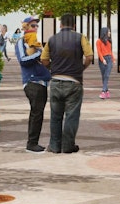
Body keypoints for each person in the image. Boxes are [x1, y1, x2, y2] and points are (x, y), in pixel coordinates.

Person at [41, 13, 92, 153]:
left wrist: (53, 68)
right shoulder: (80, 37)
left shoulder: (52, 39)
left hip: (56, 81)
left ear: (60, 24)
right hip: (74, 83)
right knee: (72, 116)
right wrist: (81, 68)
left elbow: (44, 59)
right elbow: (89, 56)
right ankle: (68, 146)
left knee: (55, 116)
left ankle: (55, 146)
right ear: (74, 25)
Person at [16, 17, 50, 152]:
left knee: (38, 113)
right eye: (33, 25)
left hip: (42, 82)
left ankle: (33, 142)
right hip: (32, 82)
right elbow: (23, 60)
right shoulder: (21, 42)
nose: (36, 28)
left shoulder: (36, 43)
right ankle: (31, 144)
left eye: (37, 26)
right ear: (26, 27)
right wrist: (39, 54)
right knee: (36, 113)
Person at [95, 27, 113, 99]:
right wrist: (103, 59)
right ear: (105, 32)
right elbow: (99, 51)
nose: (110, 33)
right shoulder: (98, 41)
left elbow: (110, 51)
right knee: (104, 76)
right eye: (108, 32)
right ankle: (107, 91)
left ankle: (103, 91)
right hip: (102, 59)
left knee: (107, 75)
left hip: (109, 59)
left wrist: (113, 59)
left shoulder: (109, 42)